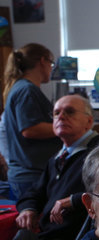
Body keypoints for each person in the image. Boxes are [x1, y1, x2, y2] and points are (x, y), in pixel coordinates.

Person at [15, 95, 99, 240]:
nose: (61, 117)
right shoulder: (58, 157)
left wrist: (73, 200)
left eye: (70, 112)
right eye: (56, 113)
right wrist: (28, 209)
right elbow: (35, 192)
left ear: (89, 121)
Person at [2, 43, 62, 200]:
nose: (51, 68)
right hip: (30, 177)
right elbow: (30, 129)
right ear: (42, 61)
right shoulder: (26, 90)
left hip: (33, 174)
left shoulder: (24, 88)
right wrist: (65, 128)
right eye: (51, 64)